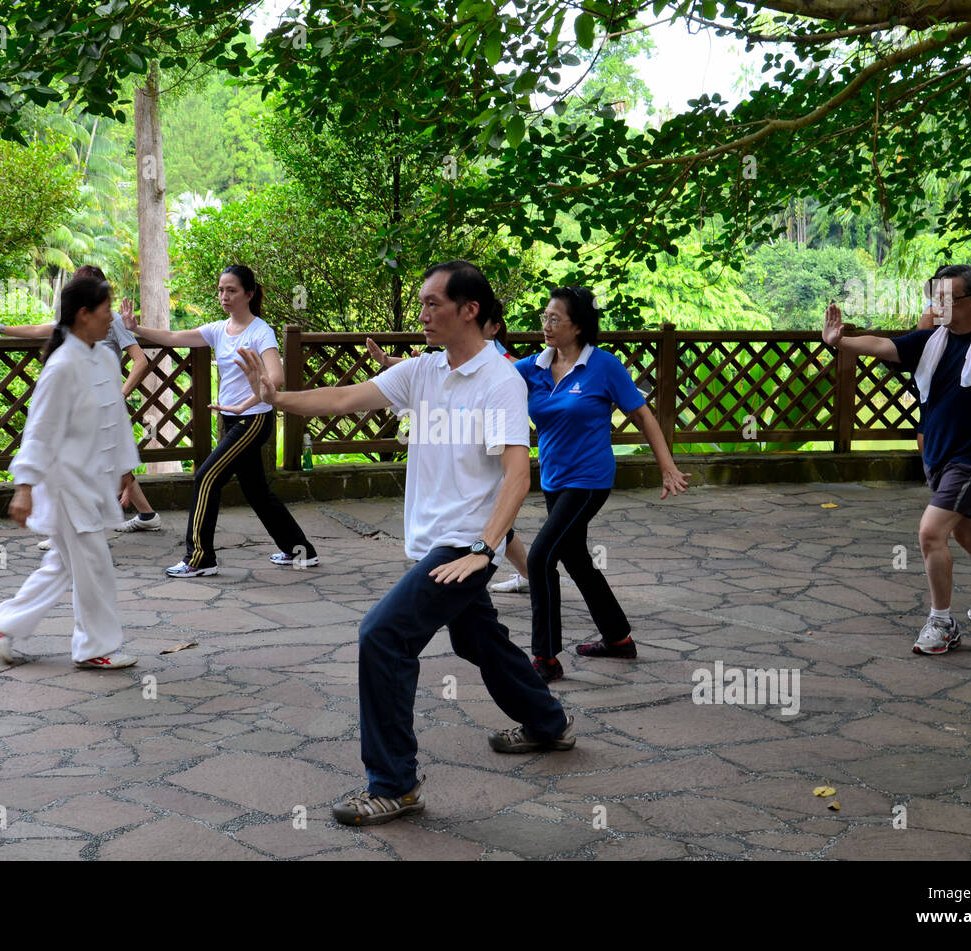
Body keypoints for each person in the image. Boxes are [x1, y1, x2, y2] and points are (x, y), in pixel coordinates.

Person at [242, 260, 574, 826]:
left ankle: (394, 784)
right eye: (421, 303)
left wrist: (484, 552)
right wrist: (277, 400)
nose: (422, 314)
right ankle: (547, 722)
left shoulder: (500, 382)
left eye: (432, 303)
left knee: (383, 636)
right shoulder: (423, 371)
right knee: (480, 641)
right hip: (436, 546)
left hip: (463, 547)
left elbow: (519, 475)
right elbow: (345, 397)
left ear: (470, 310)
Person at [821, 264, 971, 655]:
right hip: (938, 455)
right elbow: (883, 346)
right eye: (935, 296)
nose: (938, 304)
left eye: (948, 297)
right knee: (967, 531)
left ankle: (942, 622)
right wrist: (838, 341)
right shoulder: (931, 340)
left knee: (932, 532)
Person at [513, 286, 690, 682]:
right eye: (544, 317)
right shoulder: (534, 367)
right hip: (554, 480)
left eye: (554, 319)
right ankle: (618, 639)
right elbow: (481, 374)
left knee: (540, 558)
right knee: (574, 558)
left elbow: (644, 416)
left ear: (577, 327)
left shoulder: (604, 366)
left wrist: (667, 467)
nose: (545, 325)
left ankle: (545, 658)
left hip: (589, 480)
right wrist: (409, 364)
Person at [0, 276, 140, 669]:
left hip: (92, 480)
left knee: (62, 565)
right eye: (106, 311)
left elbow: (116, 418)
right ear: (83, 315)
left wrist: (125, 470)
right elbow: (39, 431)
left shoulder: (104, 357)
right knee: (94, 565)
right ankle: (94, 647)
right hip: (67, 484)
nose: (112, 318)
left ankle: (4, 624)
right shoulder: (62, 366)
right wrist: (25, 487)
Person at [122, 265, 318, 577]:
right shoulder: (219, 330)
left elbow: (276, 377)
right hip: (233, 420)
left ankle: (200, 558)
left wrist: (245, 404)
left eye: (231, 290)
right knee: (256, 491)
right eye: (221, 290)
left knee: (206, 476)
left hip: (252, 421)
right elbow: (174, 336)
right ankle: (300, 551)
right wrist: (136, 329)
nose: (224, 296)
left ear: (249, 294)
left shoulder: (260, 332)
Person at [0, 265, 162, 542]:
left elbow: (140, 361)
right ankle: (140, 516)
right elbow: (40, 330)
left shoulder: (108, 323)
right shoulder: (68, 348)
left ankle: (73, 530)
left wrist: (119, 395)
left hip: (101, 409)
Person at [366, 312, 532, 590]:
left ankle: (535, 576)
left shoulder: (500, 367)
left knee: (496, 528)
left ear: (493, 327)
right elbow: (428, 369)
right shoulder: (458, 359)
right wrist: (387, 362)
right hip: (464, 495)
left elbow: (518, 373)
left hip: (485, 477)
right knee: (496, 533)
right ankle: (531, 576)